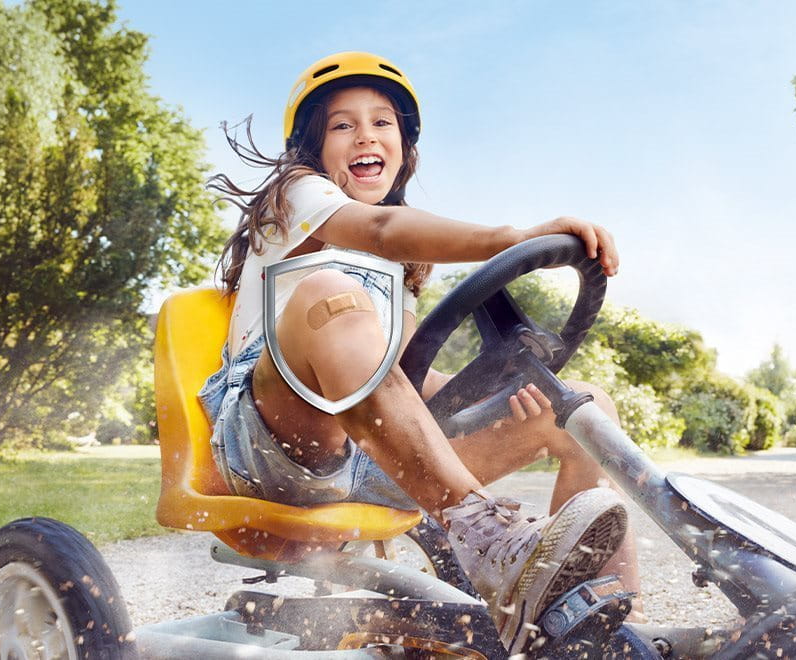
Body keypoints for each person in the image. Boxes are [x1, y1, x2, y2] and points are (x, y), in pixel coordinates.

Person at [198, 51, 638, 648]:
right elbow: (378, 228)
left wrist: (501, 395)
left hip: (377, 456)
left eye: (383, 122)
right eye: (342, 124)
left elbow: (407, 380)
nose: (365, 135)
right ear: (312, 147)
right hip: (272, 445)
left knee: (584, 406)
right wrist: (512, 238)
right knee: (330, 293)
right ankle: (486, 535)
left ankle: (598, 627)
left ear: (405, 146)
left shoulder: (400, 265)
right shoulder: (297, 196)